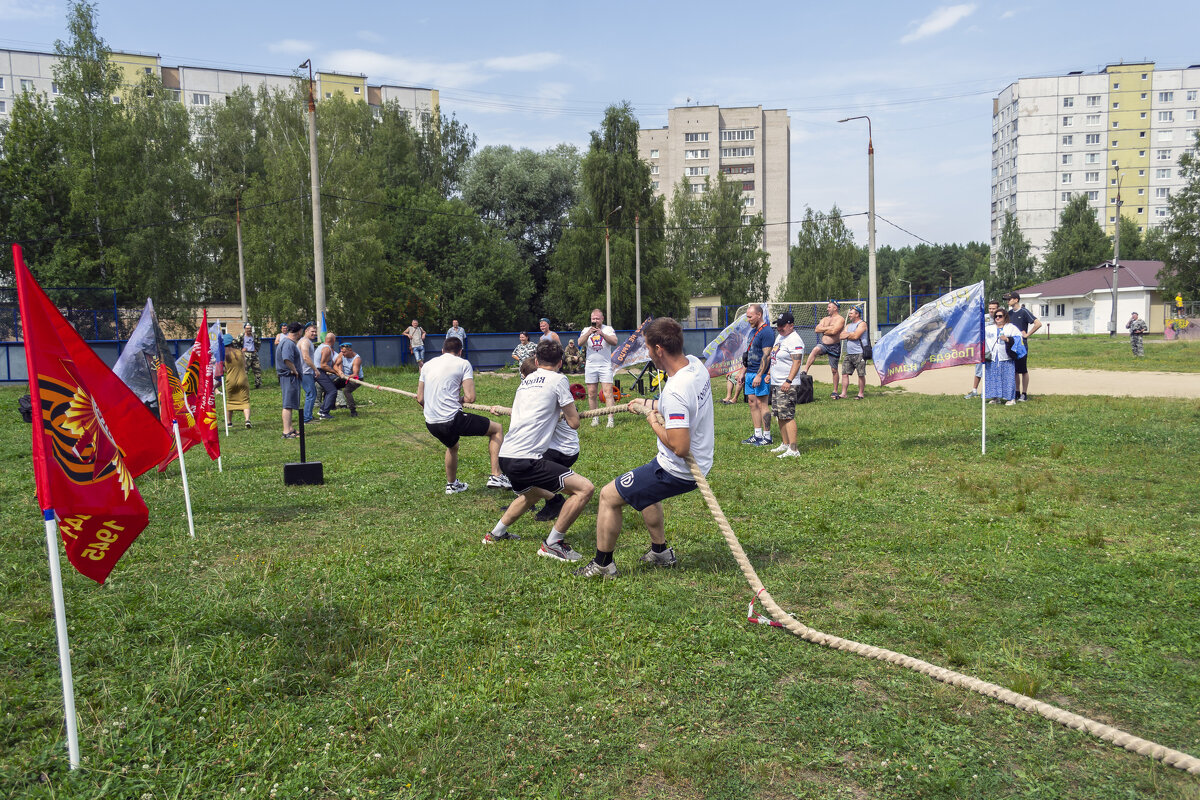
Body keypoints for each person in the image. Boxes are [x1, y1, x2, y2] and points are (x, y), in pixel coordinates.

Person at [575, 317, 714, 579]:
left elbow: (680, 447)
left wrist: (652, 419)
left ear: (659, 350)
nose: (647, 352)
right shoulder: (695, 365)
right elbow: (685, 406)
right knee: (645, 491)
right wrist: (651, 403)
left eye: (648, 348)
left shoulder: (675, 391)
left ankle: (603, 565)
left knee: (607, 497)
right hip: (700, 460)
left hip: (677, 469)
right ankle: (660, 552)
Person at [487, 339, 595, 561]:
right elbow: (574, 422)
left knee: (532, 494)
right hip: (527, 460)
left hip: (506, 457)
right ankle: (553, 544)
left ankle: (495, 534)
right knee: (585, 489)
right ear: (560, 362)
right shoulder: (558, 380)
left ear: (536, 361)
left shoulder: (524, 382)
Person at [417, 337, 508, 494]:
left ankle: (452, 485)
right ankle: (496, 475)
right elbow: (470, 397)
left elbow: (420, 399)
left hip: (431, 422)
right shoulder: (463, 363)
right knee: (497, 429)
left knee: (452, 446)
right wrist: (458, 400)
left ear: (442, 350)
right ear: (460, 352)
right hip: (452, 419)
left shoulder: (427, 365)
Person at [512, 356, 577, 523]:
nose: (525, 381)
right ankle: (525, 501)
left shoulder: (552, 390)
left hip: (563, 450)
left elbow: (573, 420)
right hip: (546, 447)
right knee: (517, 460)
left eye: (526, 377)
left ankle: (554, 502)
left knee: (526, 467)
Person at [767, 312, 804, 458]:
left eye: (782, 325)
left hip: (787, 383)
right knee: (779, 415)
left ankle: (794, 450)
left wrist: (788, 381)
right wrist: (770, 373)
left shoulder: (795, 340)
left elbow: (797, 362)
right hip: (777, 382)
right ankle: (785, 444)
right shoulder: (781, 337)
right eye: (778, 325)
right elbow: (774, 356)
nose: (779, 328)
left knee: (787, 415)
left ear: (791, 325)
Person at [740, 303, 775, 446]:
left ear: (759, 315)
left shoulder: (766, 332)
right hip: (750, 373)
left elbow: (766, 356)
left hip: (759, 374)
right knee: (752, 402)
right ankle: (757, 434)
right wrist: (743, 372)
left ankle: (767, 437)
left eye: (750, 316)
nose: (748, 319)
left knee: (762, 403)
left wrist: (760, 375)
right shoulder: (753, 331)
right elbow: (748, 354)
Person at [578, 308, 619, 429]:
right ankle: (595, 417)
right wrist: (588, 333)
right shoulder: (586, 330)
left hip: (605, 365)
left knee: (608, 392)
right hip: (591, 365)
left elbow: (615, 341)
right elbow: (579, 343)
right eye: (593, 319)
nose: (595, 320)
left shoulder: (608, 329)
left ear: (602, 319)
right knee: (591, 393)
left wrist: (602, 334)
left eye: (597, 318)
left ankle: (610, 419)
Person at [801, 300, 846, 395]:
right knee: (815, 349)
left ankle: (835, 391)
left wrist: (824, 330)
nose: (827, 309)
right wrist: (829, 328)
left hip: (834, 347)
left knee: (834, 370)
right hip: (823, 345)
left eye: (829, 307)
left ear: (835, 308)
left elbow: (835, 331)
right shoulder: (825, 319)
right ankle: (805, 370)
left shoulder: (840, 319)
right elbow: (817, 329)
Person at [1005, 291, 1042, 402]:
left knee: (1023, 370)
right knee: (1015, 370)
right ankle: (1016, 392)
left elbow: (1038, 324)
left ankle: (1024, 393)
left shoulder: (1024, 312)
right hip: (1011, 344)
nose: (1008, 301)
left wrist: (1027, 334)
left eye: (1009, 299)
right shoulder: (1009, 314)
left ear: (1016, 299)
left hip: (1021, 345)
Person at [984, 308, 1021, 405]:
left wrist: (1007, 339)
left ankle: (1011, 398)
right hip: (993, 357)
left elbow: (1018, 338)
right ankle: (995, 398)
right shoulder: (989, 328)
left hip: (1006, 357)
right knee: (993, 377)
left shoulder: (1011, 327)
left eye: (1000, 316)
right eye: (996, 316)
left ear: (1005, 317)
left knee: (1008, 377)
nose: (997, 318)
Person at [965, 300, 1001, 398]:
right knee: (978, 369)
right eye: (990, 308)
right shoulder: (984, 318)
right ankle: (974, 390)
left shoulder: (1000, 318)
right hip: (982, 348)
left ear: (998, 308)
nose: (991, 310)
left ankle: (992, 393)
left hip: (995, 349)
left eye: (994, 308)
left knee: (993, 370)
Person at [276, 322, 302, 438]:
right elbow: (287, 359)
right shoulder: (288, 344)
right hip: (289, 376)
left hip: (289, 376)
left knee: (290, 404)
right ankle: (286, 432)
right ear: (299, 331)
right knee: (287, 404)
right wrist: (295, 371)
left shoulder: (287, 342)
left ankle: (290, 428)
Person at [836, 306, 868, 400]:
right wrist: (851, 334)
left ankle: (860, 394)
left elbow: (856, 336)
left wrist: (849, 335)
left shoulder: (862, 324)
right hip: (849, 353)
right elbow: (841, 336)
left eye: (851, 313)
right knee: (844, 373)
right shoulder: (848, 326)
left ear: (857, 314)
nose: (849, 315)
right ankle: (843, 393)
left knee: (860, 374)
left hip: (860, 353)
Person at [223, 334, 251, 428]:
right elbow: (245, 365)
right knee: (245, 400)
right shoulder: (239, 352)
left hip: (230, 380)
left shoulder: (224, 355)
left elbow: (224, 369)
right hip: (242, 378)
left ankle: (229, 422)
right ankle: (247, 420)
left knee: (230, 401)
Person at [335, 342, 364, 418]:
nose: (342, 353)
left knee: (346, 391)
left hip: (356, 379)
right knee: (332, 386)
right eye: (341, 351)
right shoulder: (341, 354)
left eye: (344, 352)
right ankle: (330, 406)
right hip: (344, 376)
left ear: (350, 350)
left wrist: (345, 376)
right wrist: (339, 371)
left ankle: (353, 411)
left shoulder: (356, 359)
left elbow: (355, 374)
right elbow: (335, 365)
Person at [314, 332, 339, 419]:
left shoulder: (321, 346)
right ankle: (324, 413)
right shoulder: (326, 349)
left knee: (330, 390)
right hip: (318, 371)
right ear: (334, 340)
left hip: (318, 371)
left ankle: (322, 411)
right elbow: (323, 365)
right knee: (332, 391)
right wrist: (335, 372)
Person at [299, 322, 318, 424]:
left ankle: (308, 416)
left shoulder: (307, 341)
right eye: (312, 331)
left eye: (315, 331)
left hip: (307, 371)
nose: (314, 333)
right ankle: (306, 419)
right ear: (306, 331)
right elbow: (306, 357)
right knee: (311, 394)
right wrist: (315, 369)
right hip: (305, 372)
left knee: (312, 394)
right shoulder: (305, 342)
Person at [242, 323, 262, 390]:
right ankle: (244, 386)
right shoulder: (241, 336)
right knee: (245, 371)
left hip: (254, 354)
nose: (249, 330)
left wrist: (257, 349)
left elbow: (259, 342)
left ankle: (258, 384)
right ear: (245, 329)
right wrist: (241, 350)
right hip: (245, 355)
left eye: (250, 328)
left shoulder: (254, 335)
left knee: (257, 370)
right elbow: (235, 343)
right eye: (247, 328)